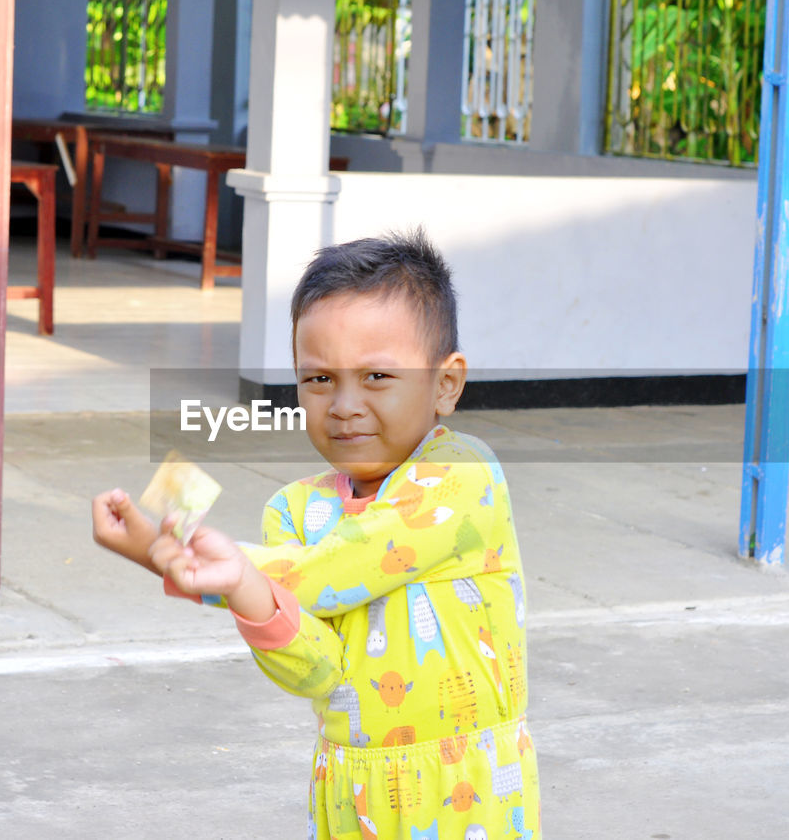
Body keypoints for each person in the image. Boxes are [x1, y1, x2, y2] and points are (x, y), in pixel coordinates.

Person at [92, 229, 540, 838]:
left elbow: (353, 561)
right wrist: (244, 592)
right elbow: (315, 672)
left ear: (446, 383)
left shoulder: (461, 472)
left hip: (469, 795)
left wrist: (174, 558)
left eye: (378, 375)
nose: (344, 404)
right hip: (350, 794)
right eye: (319, 379)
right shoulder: (295, 512)